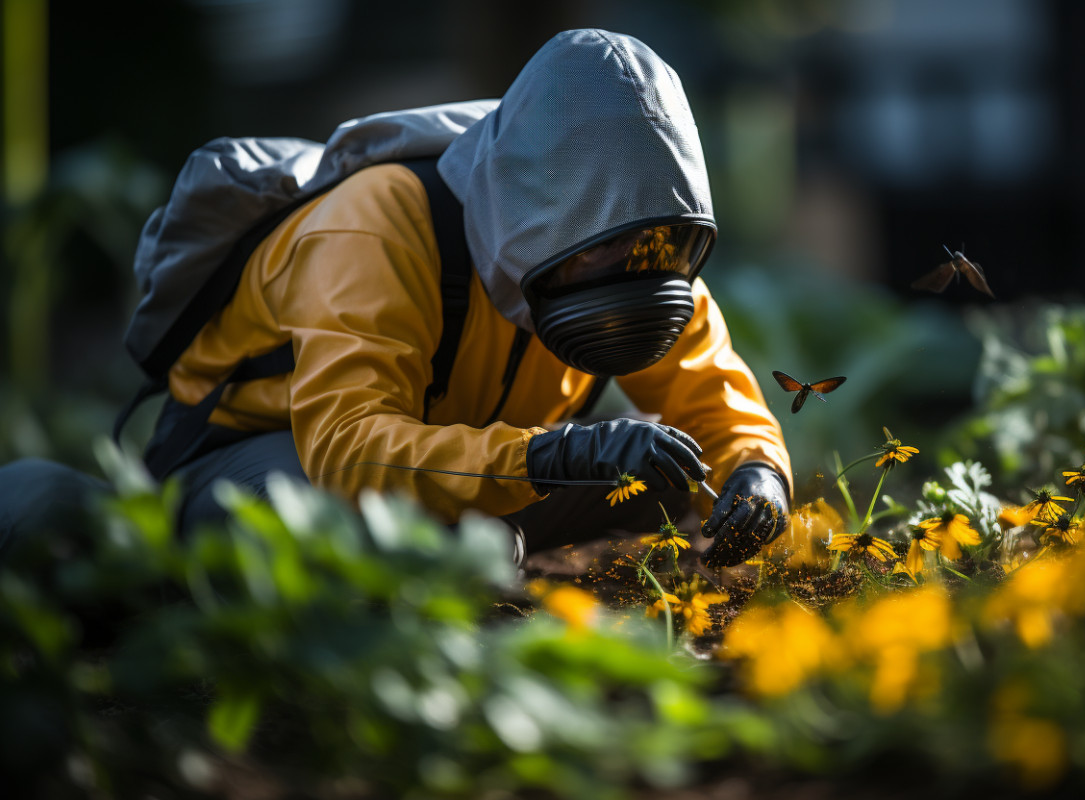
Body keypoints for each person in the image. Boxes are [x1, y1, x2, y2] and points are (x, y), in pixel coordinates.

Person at [0, 29, 792, 568]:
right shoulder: (376, 224)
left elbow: (712, 395)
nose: (643, 272)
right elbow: (346, 449)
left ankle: (452, 548)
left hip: (466, 469)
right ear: (546, 215)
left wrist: (758, 473)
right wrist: (552, 454)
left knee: (667, 465)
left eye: (659, 247)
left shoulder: (639, 243)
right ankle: (128, 537)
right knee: (327, 513)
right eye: (611, 251)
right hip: (284, 461)